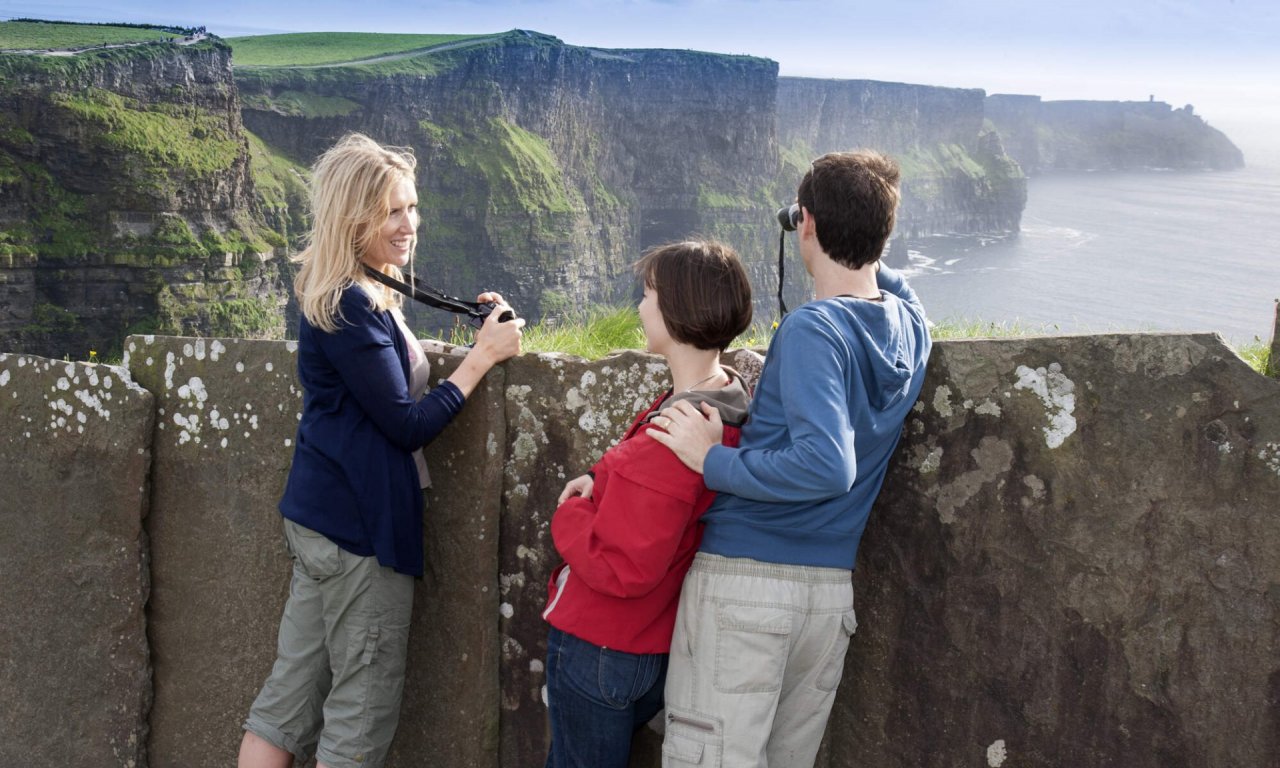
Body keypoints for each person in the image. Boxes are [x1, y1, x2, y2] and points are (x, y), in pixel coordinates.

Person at [238, 132, 524, 768]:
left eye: (413, 208)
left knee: (286, 705)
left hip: (322, 520)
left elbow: (381, 381)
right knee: (358, 721)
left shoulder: (352, 286)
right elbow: (404, 423)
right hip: (359, 535)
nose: (409, 224)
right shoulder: (350, 303)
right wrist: (480, 360)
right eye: (393, 211)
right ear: (354, 216)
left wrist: (477, 319)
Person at [649, 151, 932, 768]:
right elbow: (894, 285)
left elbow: (828, 464)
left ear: (804, 224)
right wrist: (867, 243)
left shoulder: (815, 330)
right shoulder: (910, 329)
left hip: (746, 588)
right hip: (826, 599)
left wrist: (710, 461)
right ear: (882, 235)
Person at [541, 239, 754, 768]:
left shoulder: (674, 437)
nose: (640, 305)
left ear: (678, 310)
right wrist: (597, 477)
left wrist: (568, 514)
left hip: (601, 647)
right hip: (647, 643)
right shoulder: (717, 400)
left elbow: (623, 566)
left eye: (650, 293)